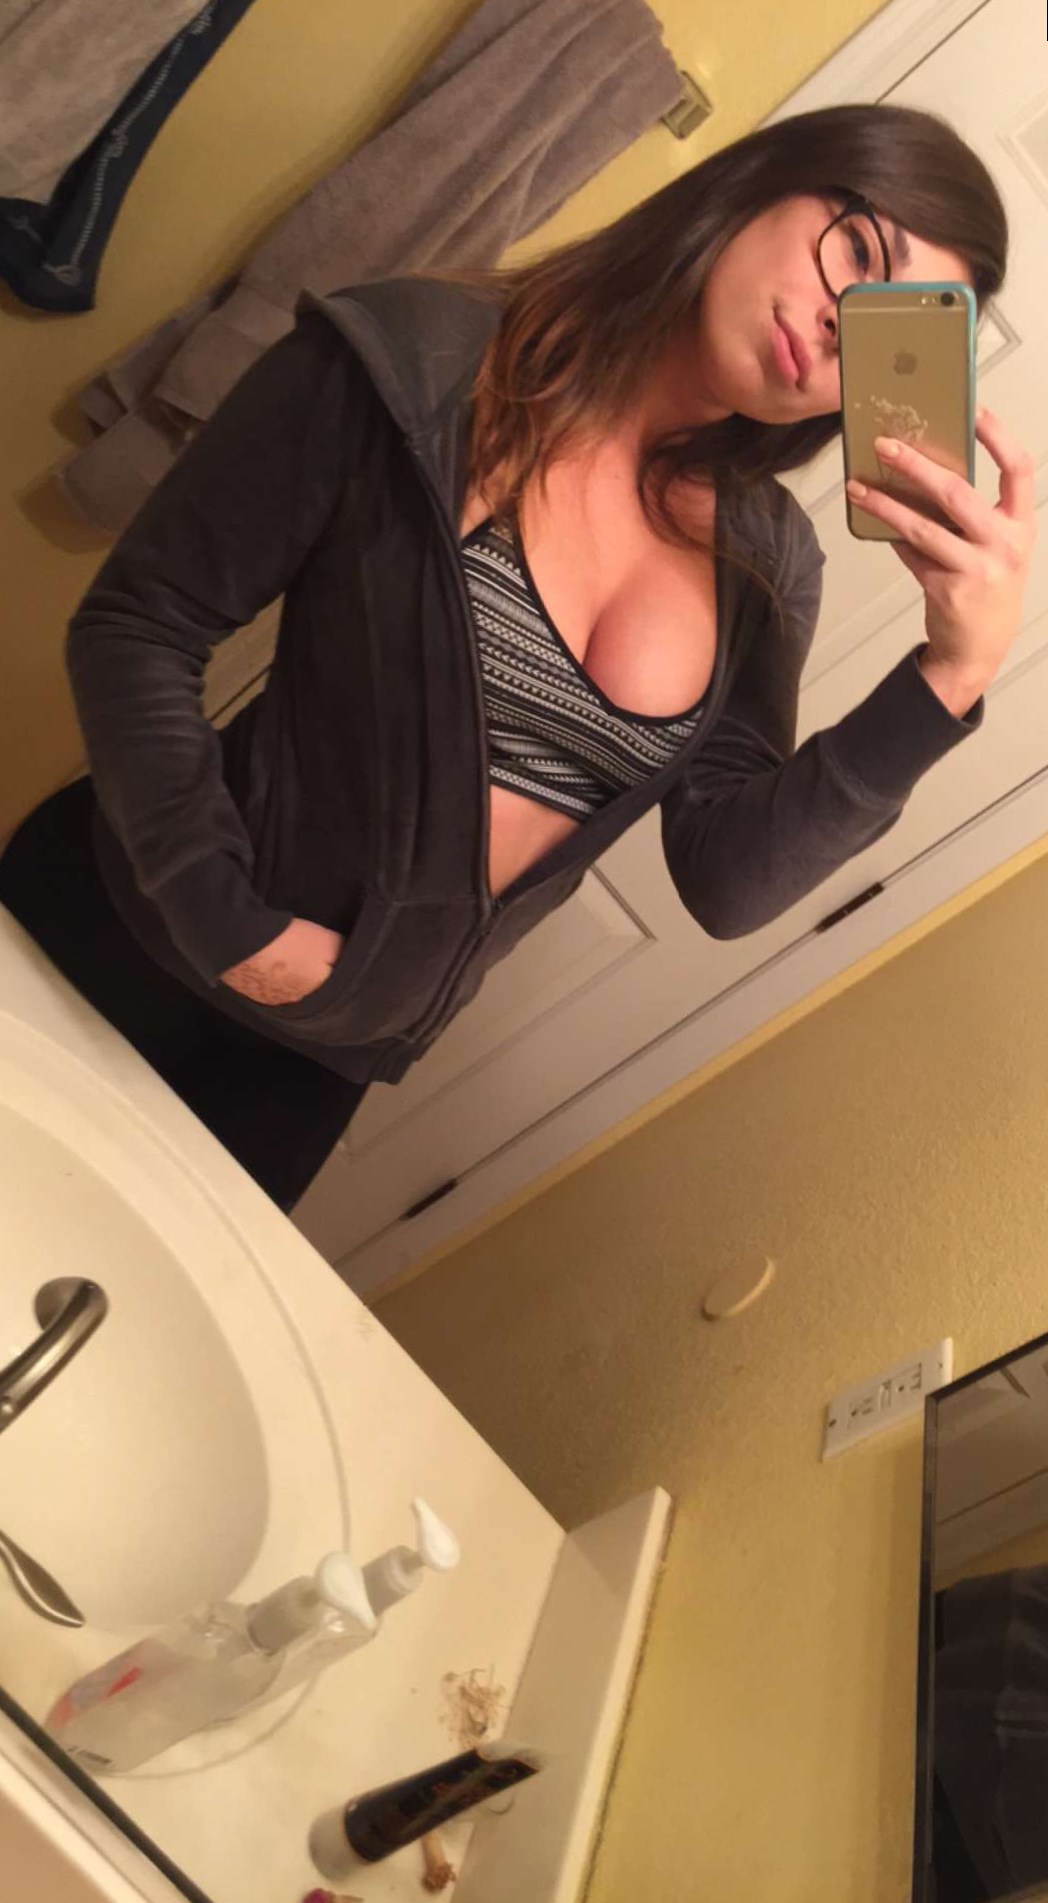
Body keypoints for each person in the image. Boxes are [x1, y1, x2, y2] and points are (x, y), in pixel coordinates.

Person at [0, 103, 1036, 1214]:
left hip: (306, 1072)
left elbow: (727, 880)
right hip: (118, 934)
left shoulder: (766, 563)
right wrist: (224, 919)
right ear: (760, 179)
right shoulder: (424, 358)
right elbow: (144, 621)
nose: (839, 327)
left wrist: (947, 679)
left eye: (888, 328)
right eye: (859, 251)